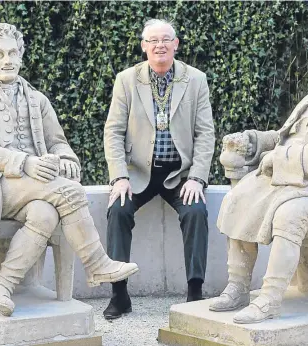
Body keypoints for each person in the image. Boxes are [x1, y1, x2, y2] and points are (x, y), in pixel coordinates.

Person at [0, 23, 138, 317]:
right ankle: (95, 263)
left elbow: (59, 142)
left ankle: (2, 286)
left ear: (21, 56)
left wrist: (67, 160)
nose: (7, 60)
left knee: (44, 214)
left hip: (36, 188)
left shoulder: (37, 99)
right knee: (70, 191)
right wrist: (25, 163)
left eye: (13, 53)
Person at [210, 31, 308, 324]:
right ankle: (238, 286)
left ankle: (270, 300)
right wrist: (254, 142)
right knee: (237, 197)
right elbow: (287, 136)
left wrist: (278, 159)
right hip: (291, 180)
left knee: (289, 217)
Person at [103, 19, 215, 319]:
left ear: (176, 44)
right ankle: (119, 294)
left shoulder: (196, 79)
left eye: (166, 39)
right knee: (118, 210)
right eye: (153, 41)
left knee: (196, 212)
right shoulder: (126, 80)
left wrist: (197, 178)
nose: (160, 45)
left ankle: (194, 294)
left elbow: (205, 133)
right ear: (144, 46)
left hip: (180, 173)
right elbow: (113, 131)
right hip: (137, 171)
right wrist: (119, 177)